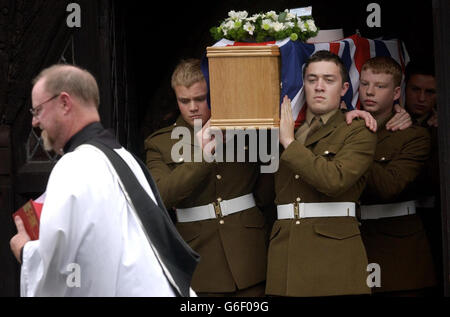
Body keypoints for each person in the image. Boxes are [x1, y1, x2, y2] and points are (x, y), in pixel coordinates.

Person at [9, 64, 198, 297]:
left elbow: (62, 267)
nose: (34, 122)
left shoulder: (74, 166)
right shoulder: (124, 157)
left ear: (65, 103)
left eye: (38, 110)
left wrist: (26, 251)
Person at [144, 59, 270, 297]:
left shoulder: (245, 129)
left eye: (200, 99)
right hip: (200, 261)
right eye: (184, 100)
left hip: (249, 255)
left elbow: (270, 187)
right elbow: (163, 196)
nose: (192, 107)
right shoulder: (159, 142)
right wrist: (201, 155)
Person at [266, 50, 377, 297]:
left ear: (345, 88)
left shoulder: (357, 130)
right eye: (312, 79)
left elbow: (335, 181)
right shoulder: (288, 129)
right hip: (285, 257)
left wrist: (289, 143)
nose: (319, 87)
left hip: (332, 259)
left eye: (329, 80)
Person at [358, 56, 436, 296]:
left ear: (395, 93)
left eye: (380, 86)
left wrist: (351, 150)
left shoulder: (414, 135)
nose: (370, 92)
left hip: (397, 248)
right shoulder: (347, 127)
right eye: (364, 84)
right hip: (353, 242)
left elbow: (388, 186)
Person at [404, 60, 442, 295]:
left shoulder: (439, 128)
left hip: (435, 219)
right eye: (415, 90)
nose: (421, 98)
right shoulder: (391, 122)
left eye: (430, 92)